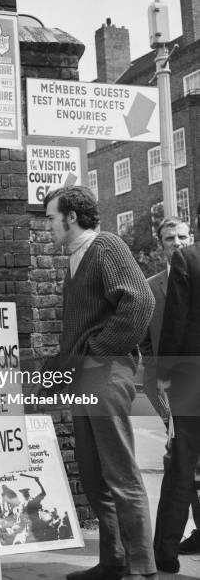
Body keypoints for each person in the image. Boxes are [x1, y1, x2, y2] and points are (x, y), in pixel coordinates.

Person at [43, 186, 156, 580]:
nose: (49, 226)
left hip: (107, 372)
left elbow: (140, 301)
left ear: (71, 216)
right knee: (92, 473)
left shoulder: (106, 246)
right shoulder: (73, 259)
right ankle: (113, 559)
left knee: (120, 472)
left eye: (51, 218)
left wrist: (99, 349)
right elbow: (79, 328)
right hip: (83, 377)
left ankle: (141, 567)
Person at [139, 217, 200, 563]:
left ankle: (168, 548)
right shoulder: (150, 285)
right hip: (172, 385)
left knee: (182, 464)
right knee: (183, 462)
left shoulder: (189, 261)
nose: (176, 242)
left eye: (181, 236)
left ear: (191, 235)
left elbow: (176, 327)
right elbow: (146, 339)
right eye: (168, 238)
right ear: (160, 243)